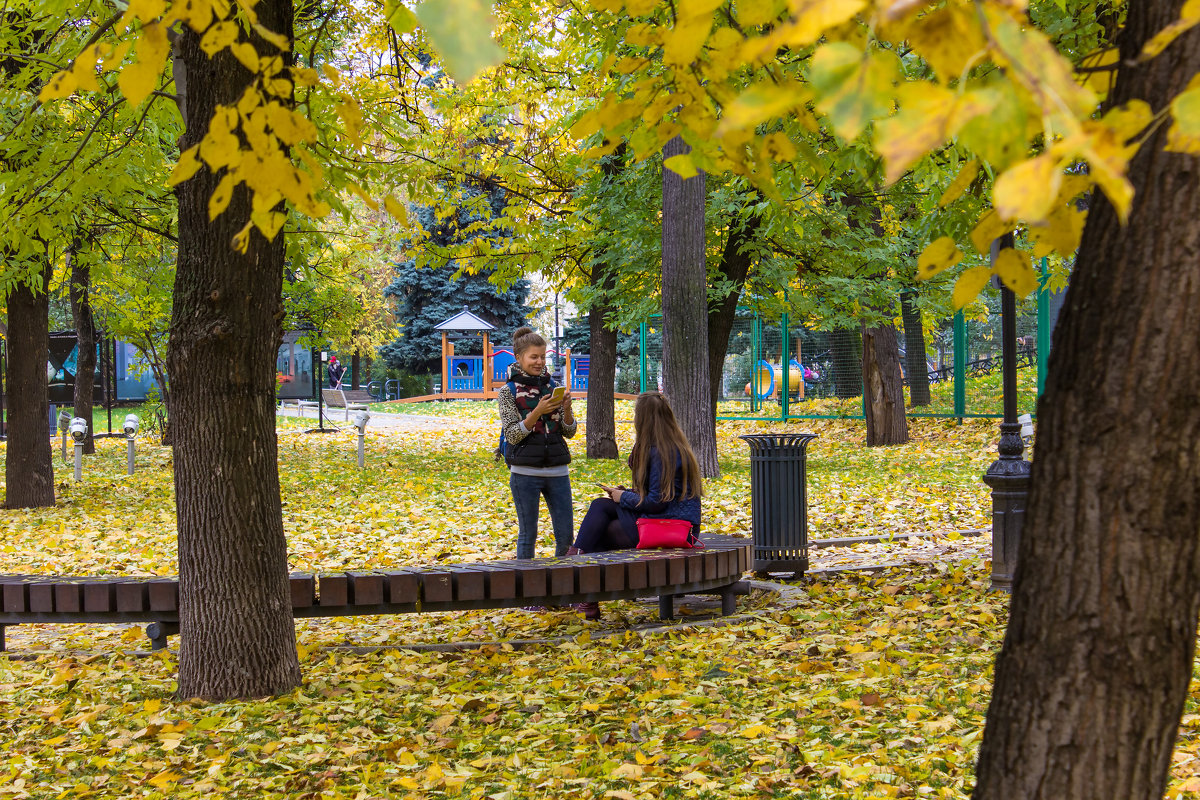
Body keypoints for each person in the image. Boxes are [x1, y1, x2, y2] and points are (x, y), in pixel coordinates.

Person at [567, 391, 703, 620]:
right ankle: (581, 585)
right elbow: (658, 496)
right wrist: (625, 494)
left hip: (671, 528)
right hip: (674, 523)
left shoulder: (661, 452)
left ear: (643, 419)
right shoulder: (674, 445)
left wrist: (623, 498)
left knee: (602, 516)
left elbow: (656, 504)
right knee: (602, 513)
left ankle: (574, 568)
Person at [497, 326, 576, 574]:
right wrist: (537, 412)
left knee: (566, 536)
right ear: (519, 358)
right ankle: (526, 592)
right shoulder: (507, 392)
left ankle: (565, 591)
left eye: (542, 356)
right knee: (528, 534)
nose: (540, 362)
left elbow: (569, 431)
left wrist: (567, 409)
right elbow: (512, 434)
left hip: (558, 471)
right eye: (534, 357)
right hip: (524, 473)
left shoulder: (552, 387)